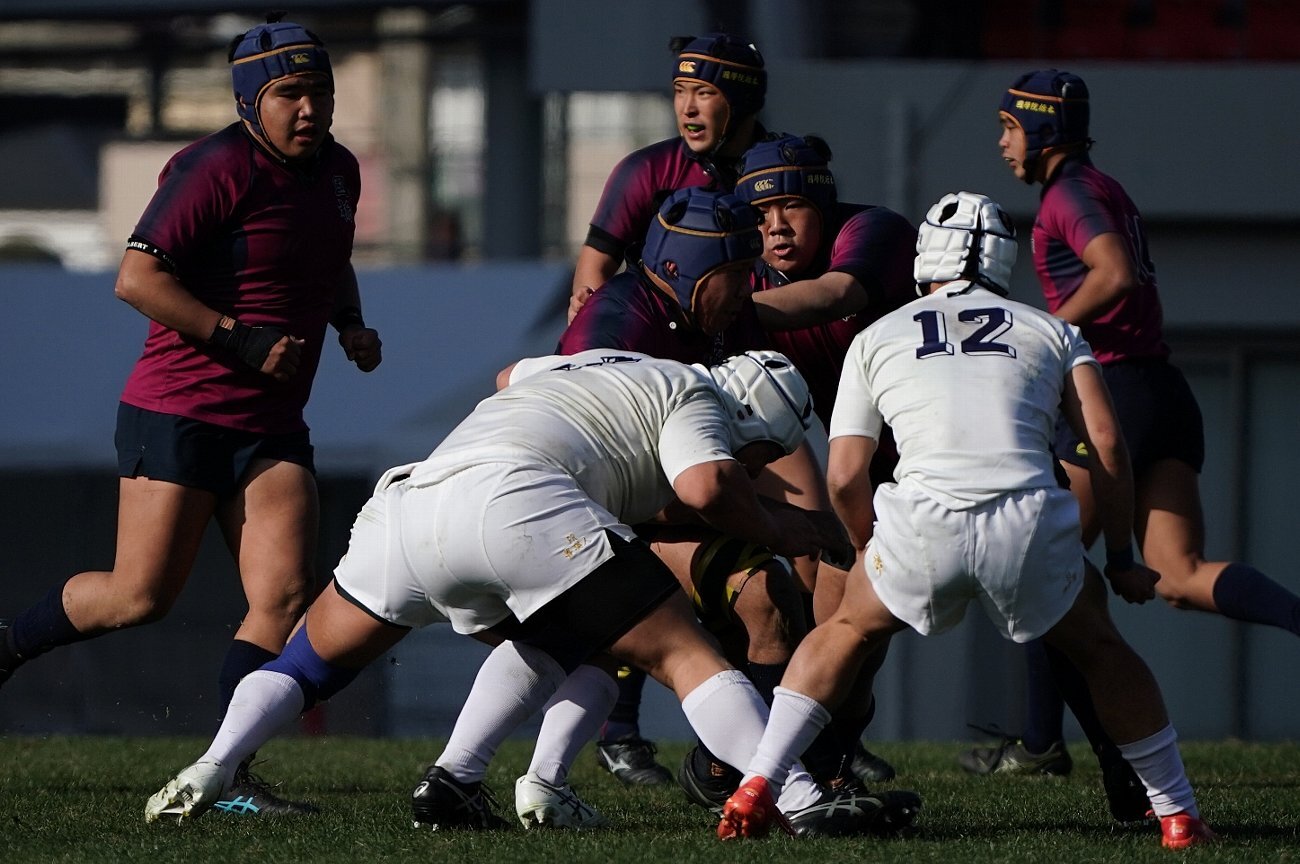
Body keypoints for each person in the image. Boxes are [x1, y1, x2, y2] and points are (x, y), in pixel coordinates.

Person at [143, 348, 889, 839]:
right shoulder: (697, 392)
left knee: (311, 662)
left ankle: (219, 764)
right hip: (517, 500)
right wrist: (788, 529)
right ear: (751, 420)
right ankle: (800, 799)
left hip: (412, 499)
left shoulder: (599, 363)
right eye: (759, 455)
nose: (753, 467)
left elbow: (509, 376)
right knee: (681, 653)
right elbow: (708, 485)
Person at [716, 192, 1218, 849]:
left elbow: (843, 475)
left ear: (925, 259)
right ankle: (1177, 814)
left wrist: (867, 547)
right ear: (1005, 260)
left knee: (844, 631)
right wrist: (1121, 557)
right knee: (1102, 650)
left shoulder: (876, 336)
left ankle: (758, 782)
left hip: (922, 523)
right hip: (1027, 524)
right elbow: (1107, 445)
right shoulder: (1052, 331)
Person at [0, 15, 382, 816]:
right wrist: (240, 339)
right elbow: (136, 279)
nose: (310, 108)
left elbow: (330, 255)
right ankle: (8, 647)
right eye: (290, 93)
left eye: (320, 92)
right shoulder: (213, 167)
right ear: (249, 102)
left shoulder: (339, 170)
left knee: (284, 598)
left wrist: (348, 323)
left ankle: (227, 772)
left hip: (272, 422)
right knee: (139, 596)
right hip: (179, 411)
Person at [961, 68, 1300, 813]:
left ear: (1043, 130)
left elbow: (1111, 272)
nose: (1002, 142)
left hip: (1112, 391)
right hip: (1163, 392)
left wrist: (1045, 335)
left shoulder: (1066, 195)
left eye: (1010, 127)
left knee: (1040, 564)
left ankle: (1040, 744)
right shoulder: (1101, 186)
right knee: (1178, 575)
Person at [556, 187, 914, 825]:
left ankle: (471, 777)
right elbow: (668, 488)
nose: (750, 290)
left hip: (612, 505)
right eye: (738, 274)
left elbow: (512, 379)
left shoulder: (713, 314)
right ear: (689, 271)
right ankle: (775, 780)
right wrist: (780, 527)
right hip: (586, 518)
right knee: (747, 599)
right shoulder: (616, 328)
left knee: (788, 587)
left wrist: (808, 530)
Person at [727, 132, 921, 787]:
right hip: (856, 467)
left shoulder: (873, 232)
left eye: (791, 206)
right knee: (842, 627)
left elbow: (835, 295)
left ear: (824, 206)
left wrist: (721, 308)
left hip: (931, 463)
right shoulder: (744, 272)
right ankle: (827, 761)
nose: (775, 226)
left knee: (851, 627)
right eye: (759, 213)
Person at [569, 32, 768, 324]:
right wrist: (594, 317)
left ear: (742, 101)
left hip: (768, 335)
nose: (687, 108)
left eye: (704, 93)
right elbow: (594, 267)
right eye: (680, 91)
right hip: (662, 338)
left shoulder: (786, 171)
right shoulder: (646, 170)